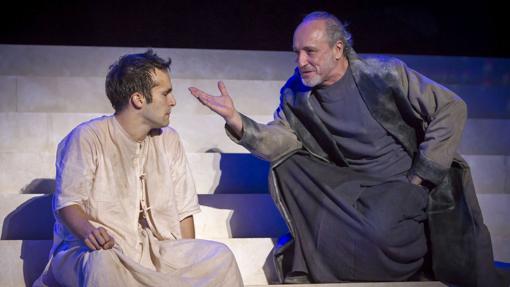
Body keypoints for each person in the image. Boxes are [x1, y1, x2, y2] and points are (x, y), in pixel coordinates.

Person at [189, 11, 509, 286]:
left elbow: (452, 108)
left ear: (338, 49)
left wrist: (419, 180)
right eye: (296, 52)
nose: (301, 62)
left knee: (382, 232)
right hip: (351, 191)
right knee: (286, 165)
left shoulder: (384, 75)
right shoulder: (297, 94)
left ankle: (386, 253)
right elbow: (278, 141)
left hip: (403, 187)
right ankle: (330, 250)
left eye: (310, 52)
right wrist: (236, 120)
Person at [34, 50, 243, 287]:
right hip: (92, 251)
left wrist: (188, 262)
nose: (172, 101)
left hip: (153, 250)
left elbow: (184, 210)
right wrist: (89, 232)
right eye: (165, 93)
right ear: (138, 99)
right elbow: (67, 203)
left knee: (219, 257)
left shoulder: (169, 139)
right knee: (103, 264)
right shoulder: (87, 137)